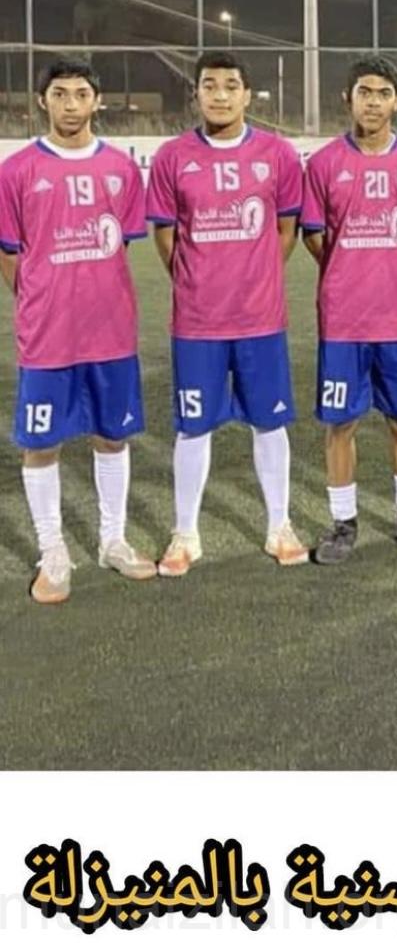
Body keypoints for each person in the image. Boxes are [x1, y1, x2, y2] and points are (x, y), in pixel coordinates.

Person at [146, 51, 307, 576]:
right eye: (210, 85)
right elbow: (165, 234)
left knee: (270, 422)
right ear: (196, 93)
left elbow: (286, 230)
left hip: (261, 320)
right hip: (197, 324)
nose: (219, 94)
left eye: (230, 85)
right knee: (193, 427)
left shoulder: (277, 154)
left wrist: (257, 279)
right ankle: (185, 534)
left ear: (246, 95)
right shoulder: (173, 157)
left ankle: (279, 526)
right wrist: (194, 282)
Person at [0, 58, 154, 602]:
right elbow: (9, 252)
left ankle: (113, 540)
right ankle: (53, 552)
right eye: (60, 93)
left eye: (81, 93)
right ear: (43, 100)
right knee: (42, 443)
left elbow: (120, 245)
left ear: (97, 100)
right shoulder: (16, 171)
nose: (70, 103)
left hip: (110, 332)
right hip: (47, 336)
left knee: (112, 435)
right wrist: (40, 298)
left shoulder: (121, 168)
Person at [301, 55, 397, 563]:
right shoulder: (323, 164)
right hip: (343, 321)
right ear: (349, 98)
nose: (374, 102)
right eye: (365, 92)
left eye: (383, 93)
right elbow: (314, 235)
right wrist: (349, 267)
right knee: (341, 424)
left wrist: (391, 263)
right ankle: (343, 523)